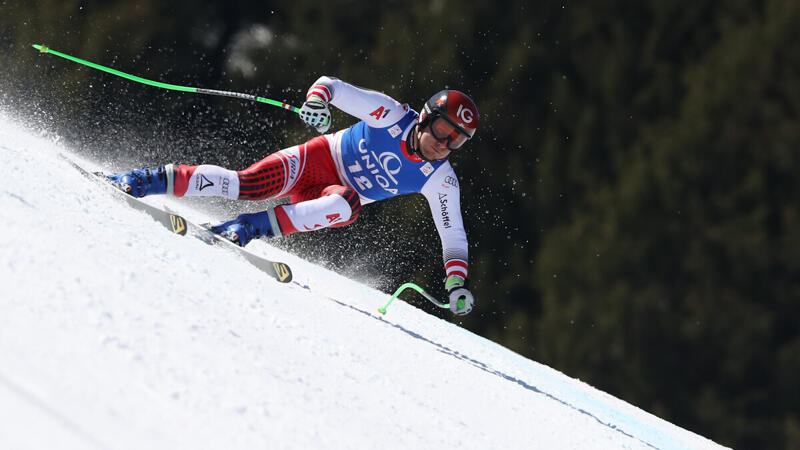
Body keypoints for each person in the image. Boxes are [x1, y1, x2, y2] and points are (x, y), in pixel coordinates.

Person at [108, 77, 478, 315]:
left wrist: (456, 283)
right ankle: (144, 180)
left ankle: (246, 228)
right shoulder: (391, 115)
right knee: (245, 186)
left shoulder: (440, 179)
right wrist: (317, 101)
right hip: (314, 162)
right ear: (426, 117)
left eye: (456, 140)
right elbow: (331, 86)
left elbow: (453, 236)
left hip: (331, 194)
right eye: (443, 130)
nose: (444, 144)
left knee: (347, 205)